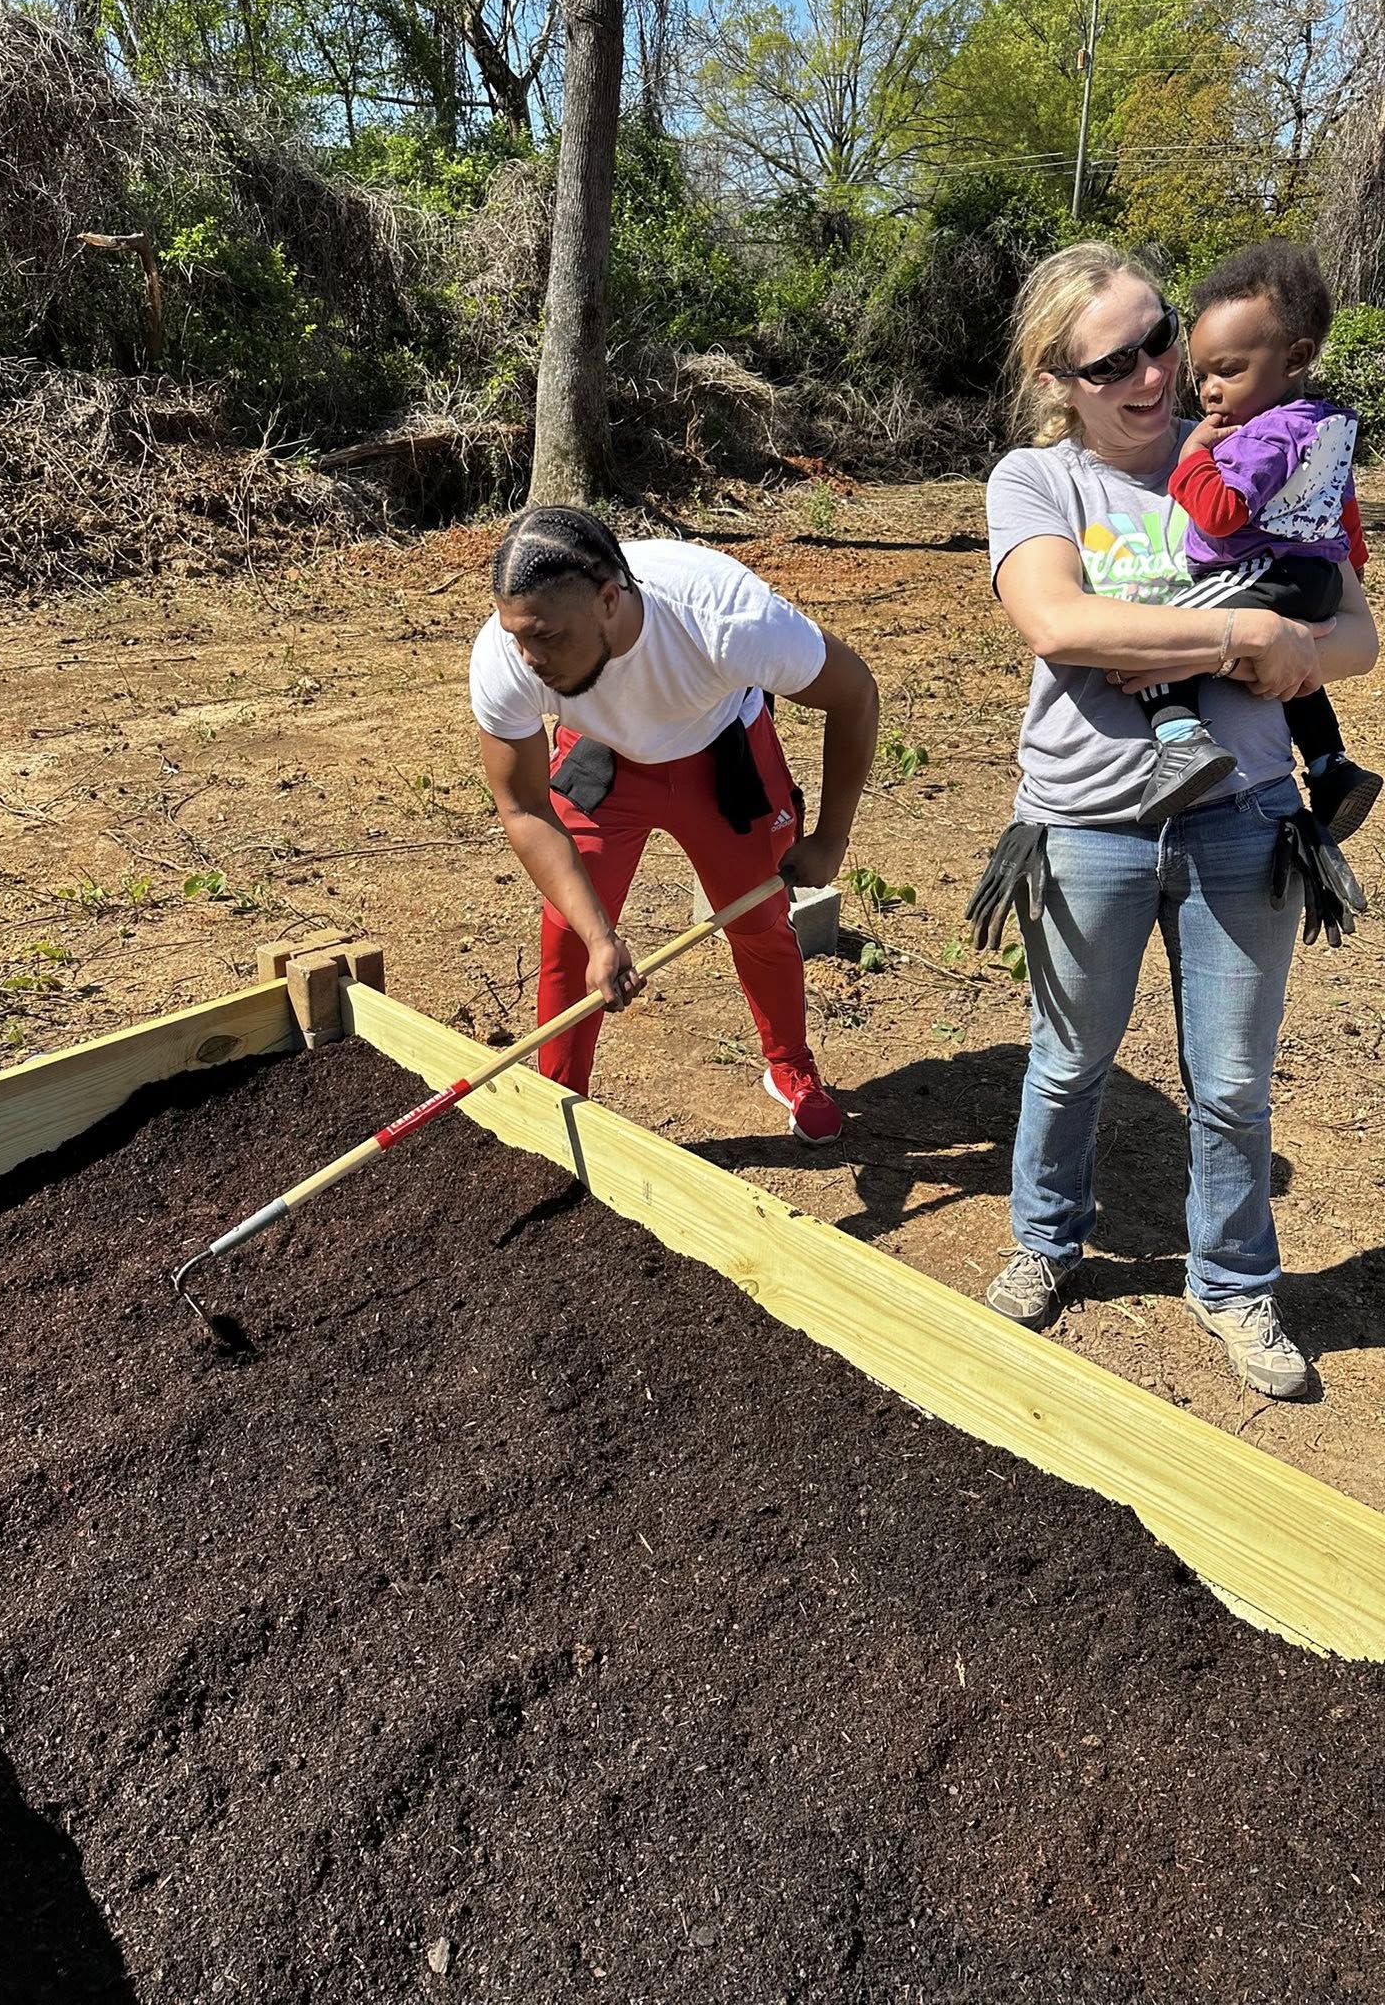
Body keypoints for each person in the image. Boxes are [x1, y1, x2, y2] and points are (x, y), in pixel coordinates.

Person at [972, 241, 1377, 1399]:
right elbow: (1057, 622)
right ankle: (1045, 1243)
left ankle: (1235, 1280)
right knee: (1066, 1062)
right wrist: (1246, 638)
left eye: (1162, 340)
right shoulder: (1036, 483)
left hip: (1245, 816)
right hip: (1086, 819)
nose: (1155, 375)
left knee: (1237, 1079)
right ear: (1060, 377)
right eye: (1117, 362)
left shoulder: (1274, 449)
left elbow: (1352, 633)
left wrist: (1292, 644)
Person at [470, 505, 879, 1143]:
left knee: (757, 920)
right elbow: (523, 808)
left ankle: (789, 1065)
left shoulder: (726, 617)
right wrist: (602, 935)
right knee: (571, 932)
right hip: (604, 757)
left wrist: (830, 838)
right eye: (517, 637)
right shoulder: (510, 653)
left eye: (547, 638)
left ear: (610, 599)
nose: (528, 657)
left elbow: (854, 692)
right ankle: (561, 1102)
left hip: (720, 753)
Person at [1127, 239, 1381, 835]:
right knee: (1288, 673)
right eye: (1203, 374)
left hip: (1264, 572)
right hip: (1313, 579)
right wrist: (1346, 574)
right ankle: (1329, 765)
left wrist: (1191, 458)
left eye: (1229, 370)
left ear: (1294, 357)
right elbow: (1346, 519)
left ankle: (1181, 738)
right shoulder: (1323, 427)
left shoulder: (1265, 436)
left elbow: (1218, 512)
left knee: (1161, 627)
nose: (1210, 390)